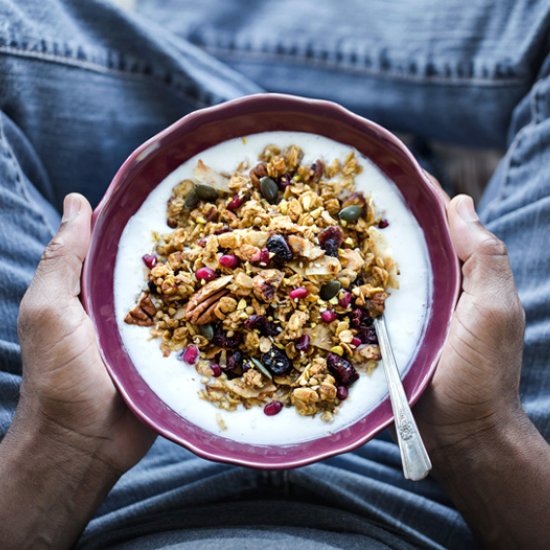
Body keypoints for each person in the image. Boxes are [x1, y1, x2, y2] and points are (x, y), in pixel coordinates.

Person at [0, 1, 549, 548]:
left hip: (121, 482)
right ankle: (206, 35)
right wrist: (480, 436)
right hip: (426, 493)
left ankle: (190, 31)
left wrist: (65, 445)